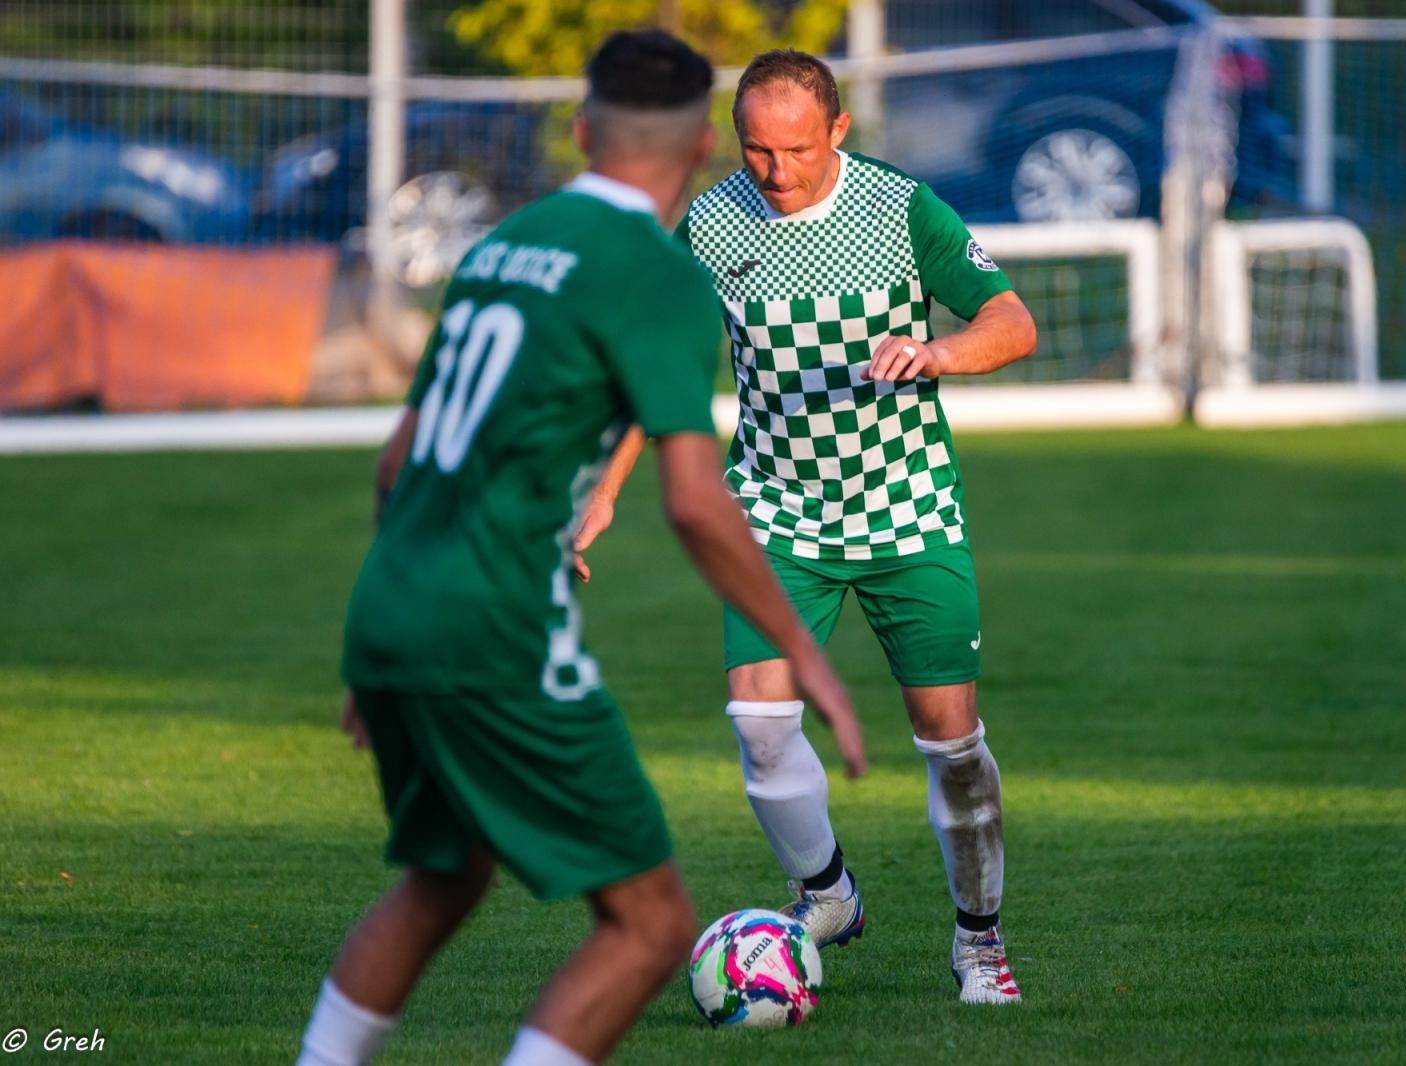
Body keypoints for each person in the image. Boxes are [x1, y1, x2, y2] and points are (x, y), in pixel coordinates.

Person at [295, 32, 865, 1066]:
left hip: (396, 608)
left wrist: (377, 645)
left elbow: (398, 463)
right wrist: (807, 653)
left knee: (443, 878)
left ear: (580, 128)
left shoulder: (503, 247)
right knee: (648, 926)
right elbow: (697, 504)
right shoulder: (656, 275)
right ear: (702, 146)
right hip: (500, 631)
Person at [574, 49, 1036, 1006]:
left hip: (906, 506)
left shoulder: (903, 210)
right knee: (760, 722)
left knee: (951, 744)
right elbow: (657, 367)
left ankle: (979, 942)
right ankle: (828, 893)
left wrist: (939, 350)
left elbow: (1013, 322)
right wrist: (606, 490)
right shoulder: (711, 222)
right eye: (753, 151)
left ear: (838, 133)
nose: (773, 173)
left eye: (794, 150)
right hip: (778, 511)